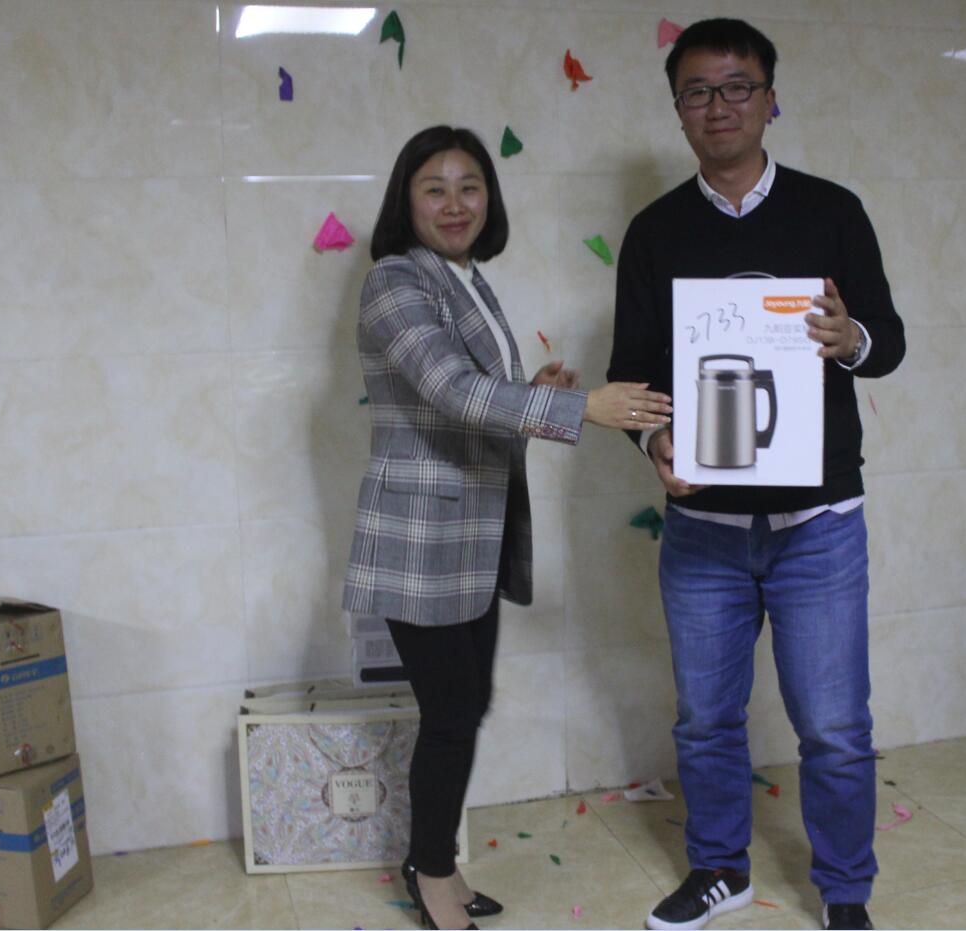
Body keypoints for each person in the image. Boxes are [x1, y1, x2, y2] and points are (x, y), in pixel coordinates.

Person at [607, 19, 904, 931]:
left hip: (819, 522)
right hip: (703, 532)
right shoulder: (654, 232)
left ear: (770, 98)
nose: (718, 106)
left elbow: (887, 343)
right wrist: (654, 446)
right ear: (677, 109)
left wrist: (847, 337)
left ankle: (845, 890)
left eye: (737, 86)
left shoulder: (832, 211)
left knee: (834, 726)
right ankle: (718, 869)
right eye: (697, 91)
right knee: (704, 718)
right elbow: (633, 378)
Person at [345, 125, 671, 930]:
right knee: (451, 712)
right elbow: (451, 389)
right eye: (434, 188)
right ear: (405, 201)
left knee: (465, 705)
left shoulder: (468, 278)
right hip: (422, 542)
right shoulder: (394, 279)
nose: (455, 203)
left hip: (472, 537)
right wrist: (578, 407)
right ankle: (430, 872)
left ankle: (437, 863)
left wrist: (534, 392)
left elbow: (472, 404)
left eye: (470, 186)